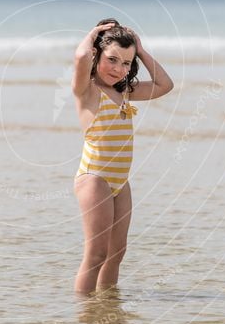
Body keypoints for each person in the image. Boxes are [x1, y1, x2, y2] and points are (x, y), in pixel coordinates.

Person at [71, 18, 174, 294]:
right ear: (97, 55)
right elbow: (80, 55)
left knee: (117, 253)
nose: (118, 69)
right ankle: (85, 314)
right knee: (96, 255)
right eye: (112, 59)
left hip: (119, 182)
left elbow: (165, 85)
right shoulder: (88, 91)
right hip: (95, 179)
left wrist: (139, 49)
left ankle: (107, 307)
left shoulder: (124, 92)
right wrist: (94, 33)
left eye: (126, 63)